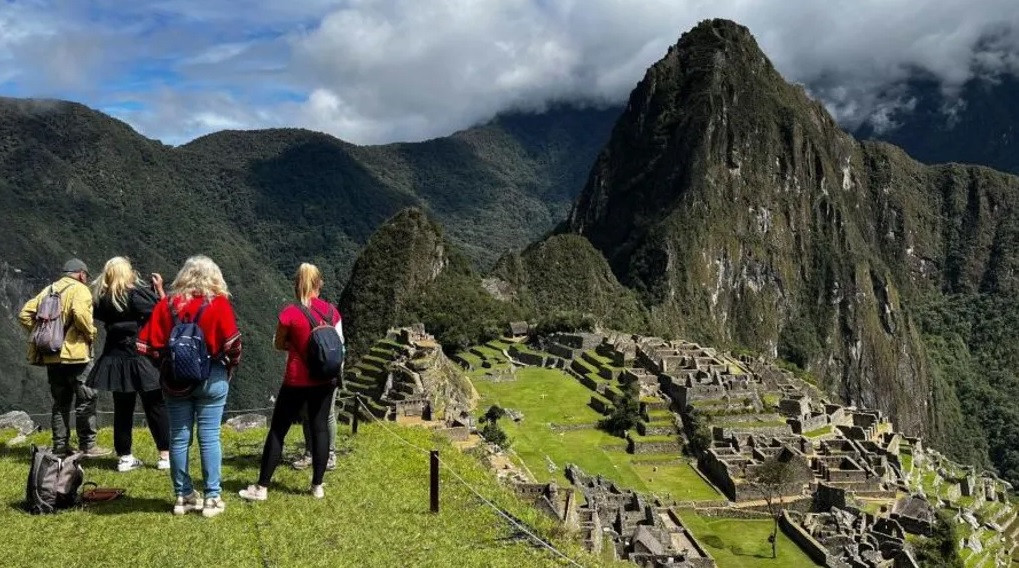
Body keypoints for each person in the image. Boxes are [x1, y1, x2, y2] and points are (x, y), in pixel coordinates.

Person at [137, 255, 241, 517]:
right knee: (209, 437)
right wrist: (229, 365)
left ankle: (182, 497)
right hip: (212, 377)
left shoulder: (167, 305)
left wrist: (164, 364)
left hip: (174, 382)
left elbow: (145, 345)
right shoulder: (218, 304)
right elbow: (233, 344)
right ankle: (211, 498)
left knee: (179, 437)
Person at [239, 263, 342, 502]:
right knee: (320, 429)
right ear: (319, 284)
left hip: (296, 380)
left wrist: (294, 344)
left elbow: (278, 343)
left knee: (278, 430)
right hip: (325, 380)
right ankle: (317, 486)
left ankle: (262, 487)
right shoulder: (332, 312)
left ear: (297, 285)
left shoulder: (290, 314)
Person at [18, 259, 110, 457]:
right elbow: (79, 313)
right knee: (86, 399)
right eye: (85, 275)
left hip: (52, 355)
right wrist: (90, 332)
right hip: (76, 356)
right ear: (81, 274)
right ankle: (88, 445)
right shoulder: (80, 289)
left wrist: (44, 333)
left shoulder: (49, 289)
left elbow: (24, 314)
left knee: (60, 402)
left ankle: (60, 446)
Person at [89, 257, 170, 472]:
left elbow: (97, 314)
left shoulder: (102, 299)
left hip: (114, 357)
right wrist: (158, 289)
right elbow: (162, 312)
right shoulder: (134, 295)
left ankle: (124, 456)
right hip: (140, 355)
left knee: (122, 408)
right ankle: (165, 455)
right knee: (155, 404)